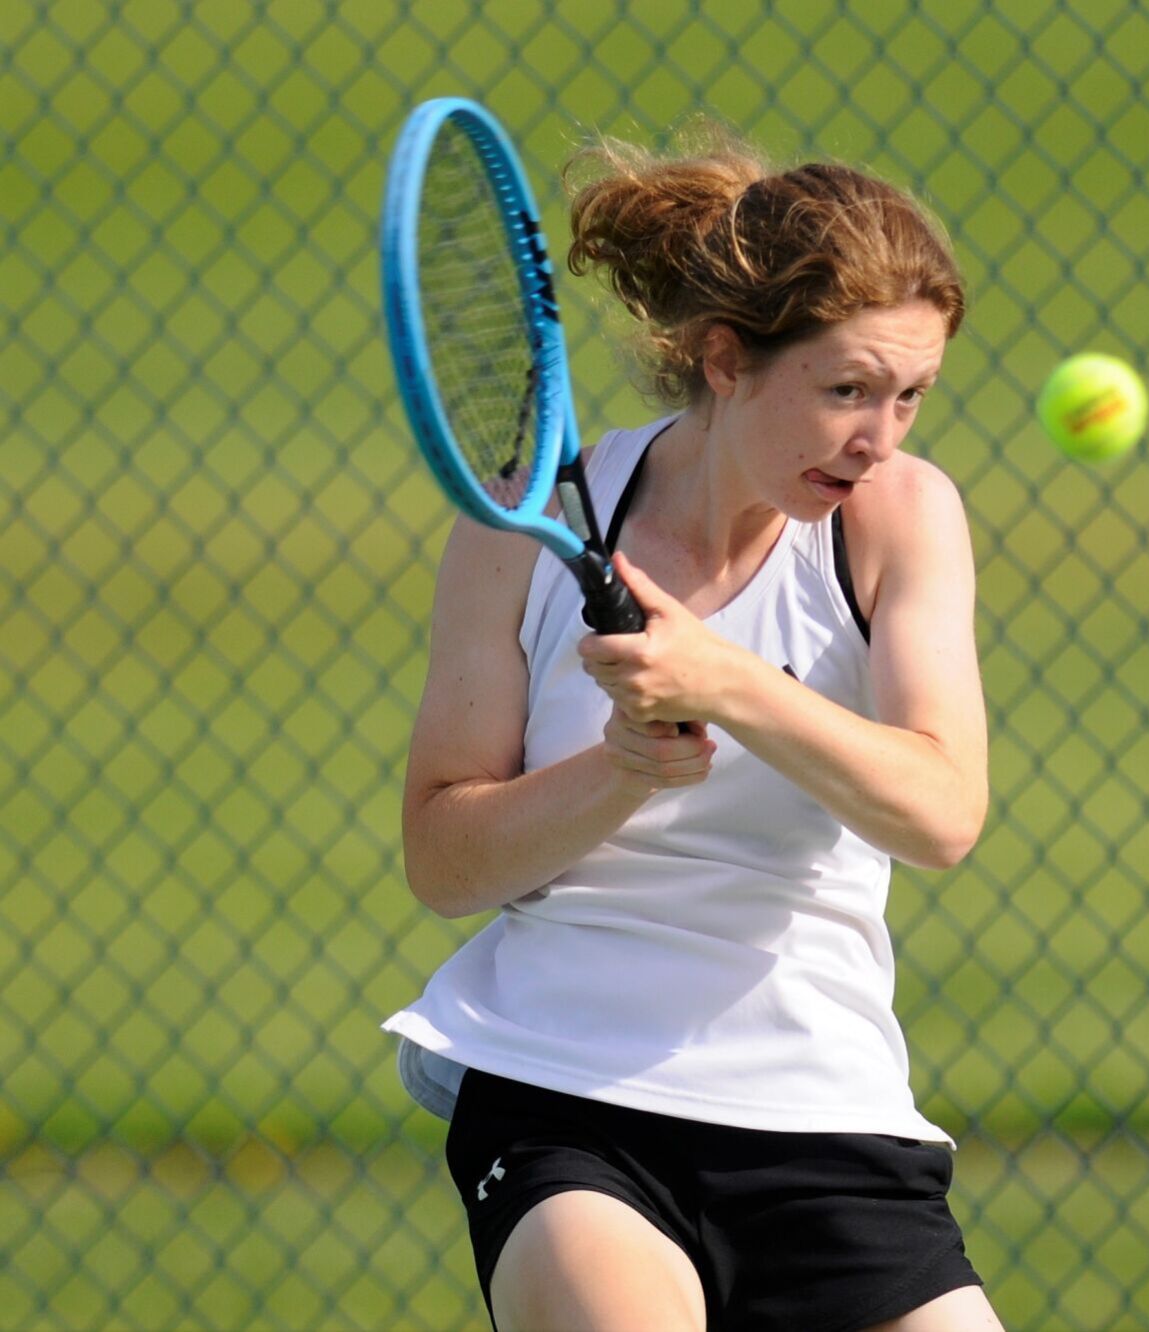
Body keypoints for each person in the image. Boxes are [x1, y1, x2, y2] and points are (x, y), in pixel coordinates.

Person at [384, 125, 1001, 1332]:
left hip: (823, 1108)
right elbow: (444, 862)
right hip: (564, 1091)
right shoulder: (522, 528)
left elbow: (941, 813)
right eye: (845, 391)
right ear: (726, 360)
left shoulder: (900, 518)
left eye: (910, 395)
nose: (882, 438)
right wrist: (619, 771)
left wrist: (723, 683)